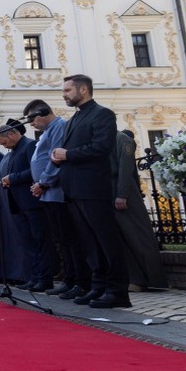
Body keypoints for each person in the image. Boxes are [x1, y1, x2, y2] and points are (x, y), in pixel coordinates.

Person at [51, 74, 130, 309]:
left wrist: (69, 155)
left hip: (92, 187)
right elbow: (72, 150)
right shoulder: (75, 118)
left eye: (67, 90)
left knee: (105, 239)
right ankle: (98, 286)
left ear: (83, 89)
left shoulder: (102, 114)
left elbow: (102, 146)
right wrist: (58, 158)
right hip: (74, 188)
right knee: (89, 241)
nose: (64, 94)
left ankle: (117, 291)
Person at [25, 99, 89, 298]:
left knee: (69, 239)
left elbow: (55, 159)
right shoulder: (47, 132)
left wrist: (43, 182)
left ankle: (79, 280)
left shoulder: (59, 127)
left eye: (32, 119)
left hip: (57, 191)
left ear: (43, 113)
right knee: (61, 239)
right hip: (48, 193)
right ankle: (69, 278)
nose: (31, 124)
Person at [0, 119, 52, 292]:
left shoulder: (29, 146)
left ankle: (45, 278)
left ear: (12, 134)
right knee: (29, 243)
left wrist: (12, 178)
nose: (5, 146)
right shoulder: (13, 151)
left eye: (4, 142)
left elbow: (34, 171)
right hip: (19, 203)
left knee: (40, 242)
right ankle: (34, 277)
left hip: (32, 202)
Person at [113, 130, 166, 290]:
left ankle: (151, 279)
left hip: (125, 195)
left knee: (137, 236)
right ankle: (135, 278)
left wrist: (122, 193)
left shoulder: (122, 139)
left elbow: (125, 169)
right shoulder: (104, 139)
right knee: (123, 238)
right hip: (112, 194)